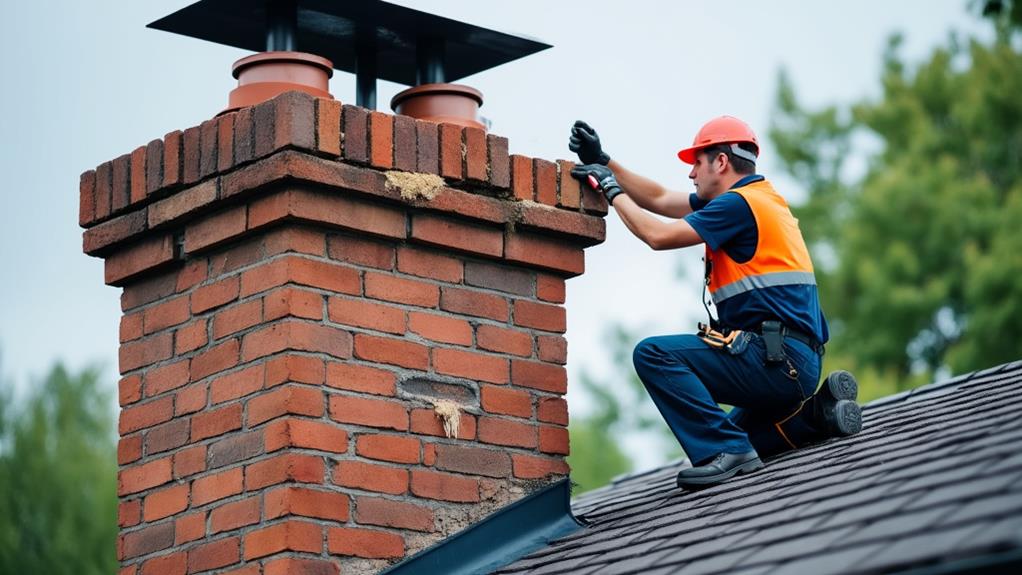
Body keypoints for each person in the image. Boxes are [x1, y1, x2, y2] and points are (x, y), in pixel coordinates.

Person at [568, 117, 862, 489]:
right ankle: (817, 416)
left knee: (655, 355)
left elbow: (656, 235)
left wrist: (609, 189)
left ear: (720, 162)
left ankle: (730, 449)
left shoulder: (737, 206)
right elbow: (658, 197)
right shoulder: (758, 200)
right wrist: (605, 161)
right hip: (795, 365)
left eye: (696, 162)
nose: (691, 173)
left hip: (776, 360)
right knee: (738, 438)